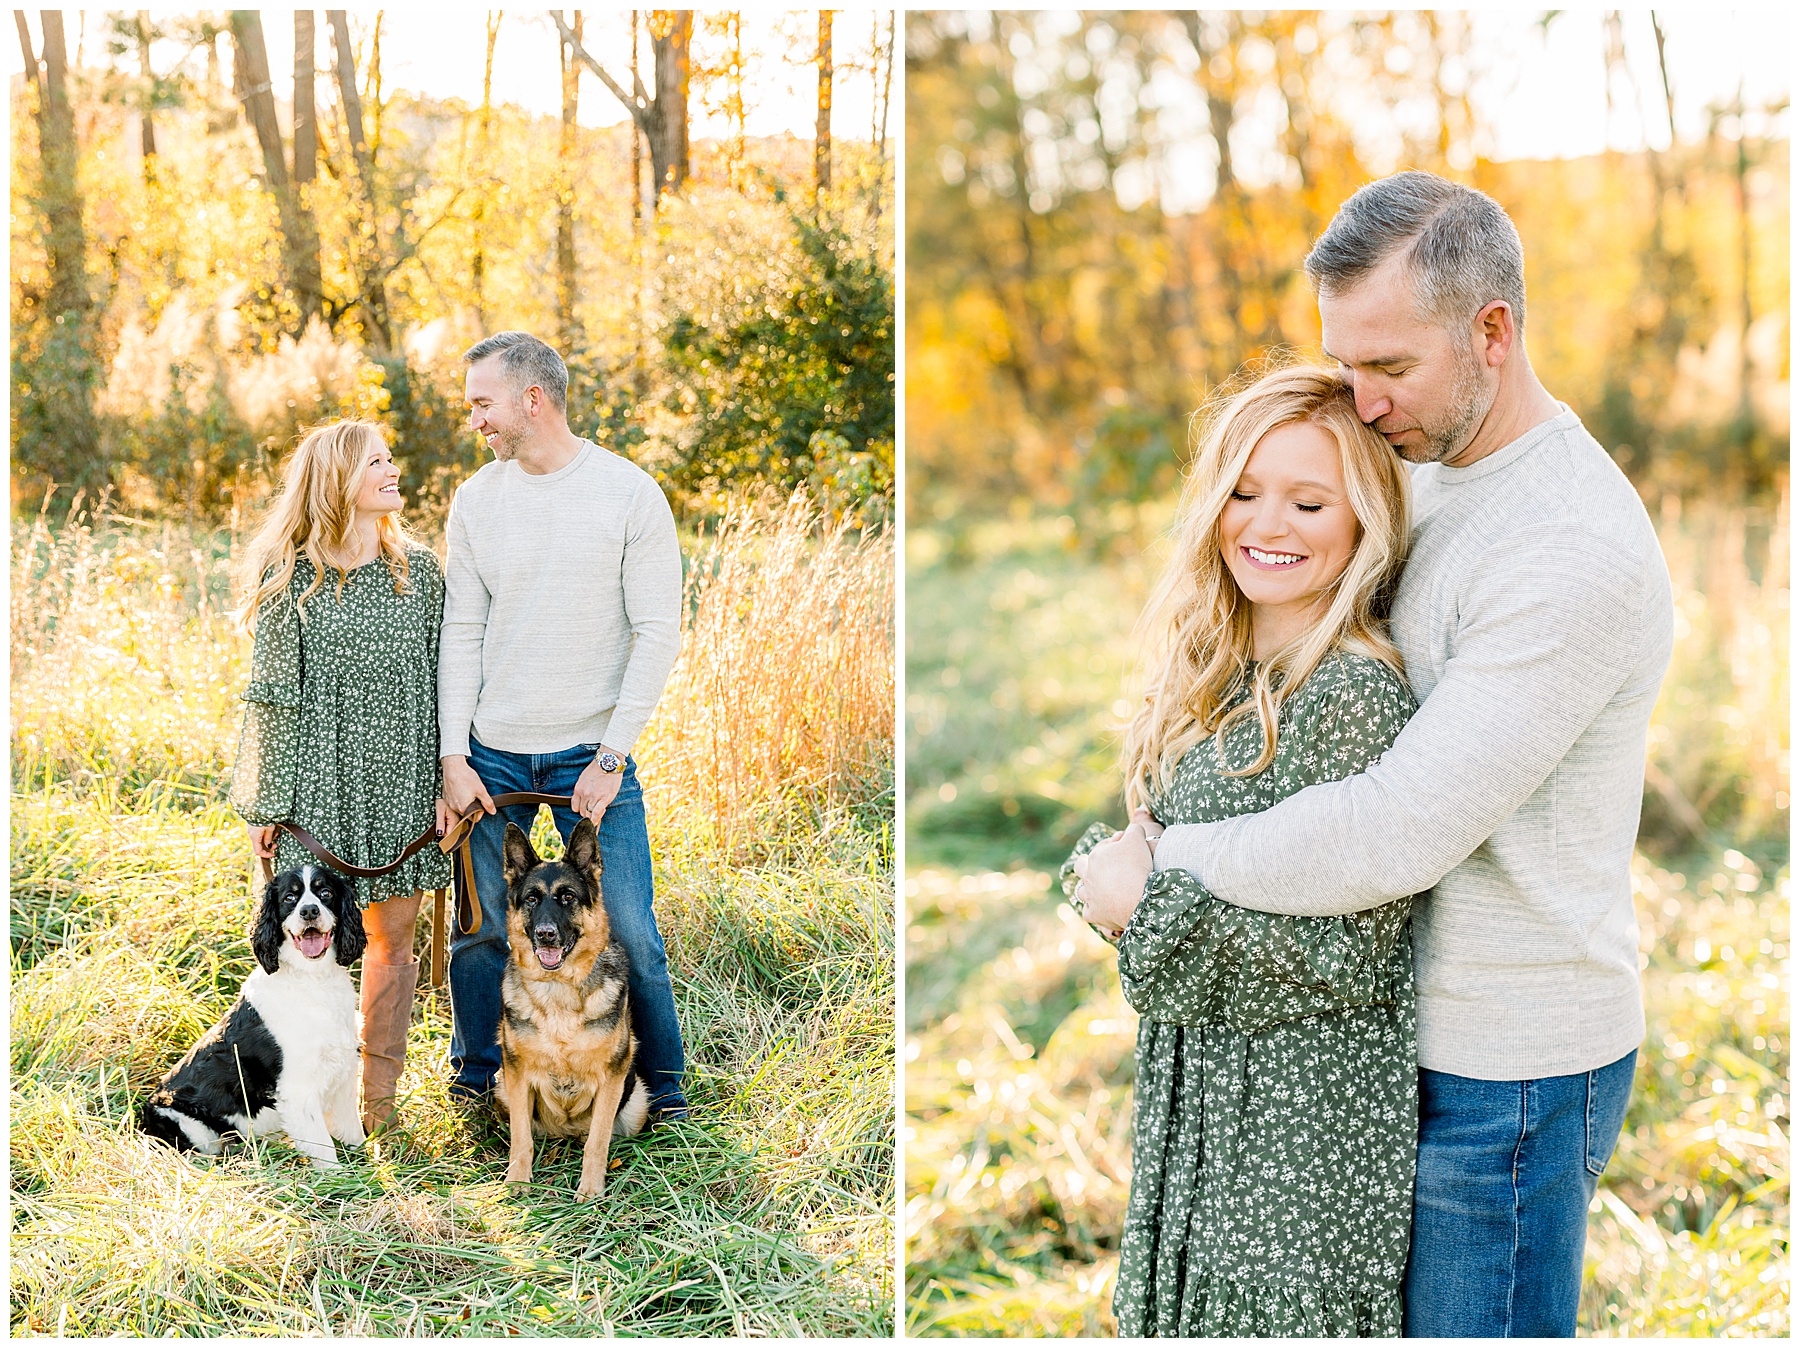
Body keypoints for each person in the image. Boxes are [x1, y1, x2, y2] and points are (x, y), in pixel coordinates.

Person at [1078, 171, 1675, 1338]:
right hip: (1378, 1038)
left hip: (1504, 1072)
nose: (1363, 400)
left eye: (1389, 369)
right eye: (1346, 363)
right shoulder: (1425, 462)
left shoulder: (1569, 545)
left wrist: (1163, 863)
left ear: (1492, 333)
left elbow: (1397, 825)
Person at [1069, 363, 1420, 1336]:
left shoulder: (1353, 698)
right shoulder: (1218, 675)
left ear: (1363, 521)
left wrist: (1136, 904)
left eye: (1310, 500)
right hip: (1202, 1096)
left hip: (1300, 1139)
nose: (1269, 526)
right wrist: (1121, 881)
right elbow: (1151, 852)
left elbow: (1347, 952)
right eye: (1246, 493)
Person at [437, 330, 688, 1121]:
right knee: (480, 935)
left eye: (483, 403)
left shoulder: (628, 494)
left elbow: (658, 631)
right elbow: (462, 633)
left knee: (634, 935)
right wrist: (453, 755)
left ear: (531, 400)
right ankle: (484, 1082)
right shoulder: (477, 500)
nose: (476, 420)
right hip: (493, 757)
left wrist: (611, 759)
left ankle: (664, 1090)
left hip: (593, 754)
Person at [229, 418, 451, 1133]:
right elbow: (272, 696)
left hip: (405, 785)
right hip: (316, 790)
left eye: (391, 457)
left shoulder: (422, 575)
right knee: (310, 952)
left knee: (392, 945)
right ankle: (304, 1108)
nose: (393, 471)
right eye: (376, 463)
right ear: (337, 482)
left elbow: (451, 681)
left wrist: (450, 782)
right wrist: (270, 802)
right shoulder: (289, 576)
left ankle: (376, 1115)